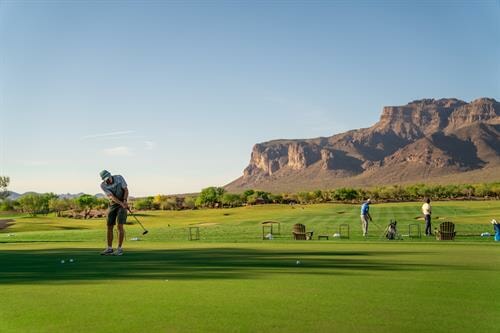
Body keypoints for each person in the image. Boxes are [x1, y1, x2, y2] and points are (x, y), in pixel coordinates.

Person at [99, 170, 129, 256]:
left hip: (123, 202)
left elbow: (126, 190)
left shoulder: (119, 178)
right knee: (109, 225)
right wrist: (121, 203)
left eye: (108, 178)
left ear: (110, 175)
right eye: (105, 179)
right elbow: (111, 196)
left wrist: (124, 201)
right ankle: (109, 248)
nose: (107, 180)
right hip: (113, 204)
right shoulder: (103, 185)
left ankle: (119, 249)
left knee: (120, 226)